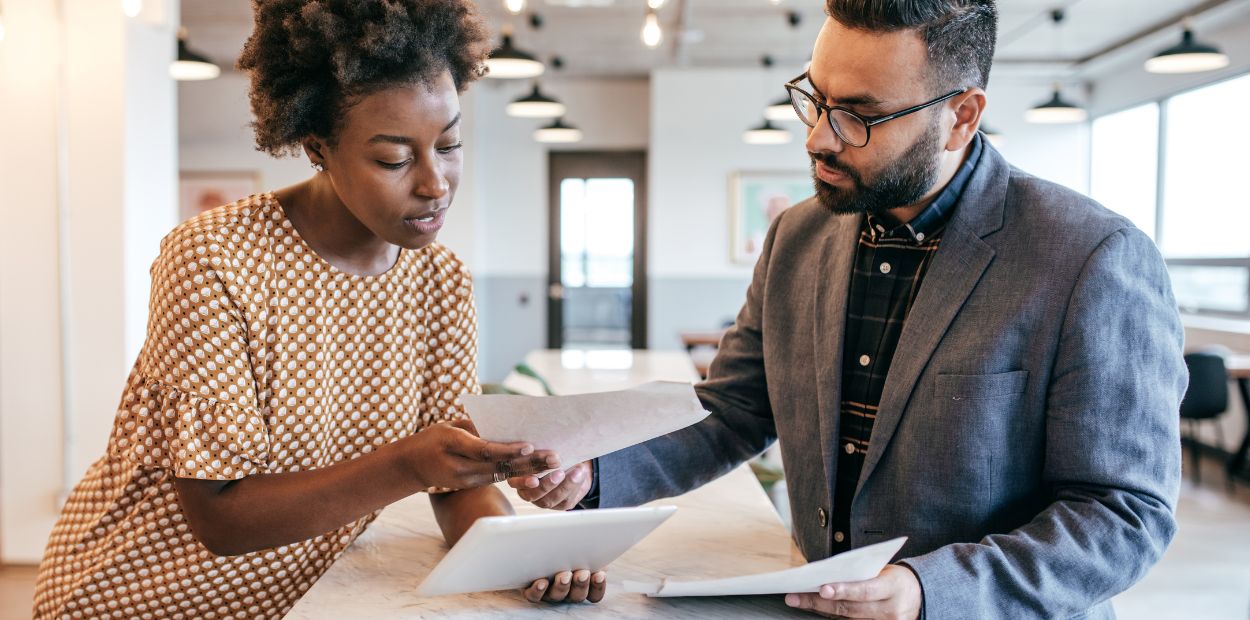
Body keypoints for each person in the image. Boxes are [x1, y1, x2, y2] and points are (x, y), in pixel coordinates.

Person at [511, 1, 1186, 618]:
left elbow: (1124, 512)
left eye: (860, 115)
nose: (819, 139)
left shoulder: (1091, 258)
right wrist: (595, 475)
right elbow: (735, 412)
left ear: (962, 116)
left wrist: (929, 591)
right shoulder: (796, 237)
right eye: (816, 98)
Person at [32, 1, 604, 617]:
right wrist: (406, 464)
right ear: (317, 147)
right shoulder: (215, 259)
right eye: (394, 159)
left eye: (450, 144)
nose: (435, 182)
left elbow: (452, 480)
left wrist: (525, 554)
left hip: (298, 602)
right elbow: (221, 517)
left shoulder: (441, 280)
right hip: (136, 596)